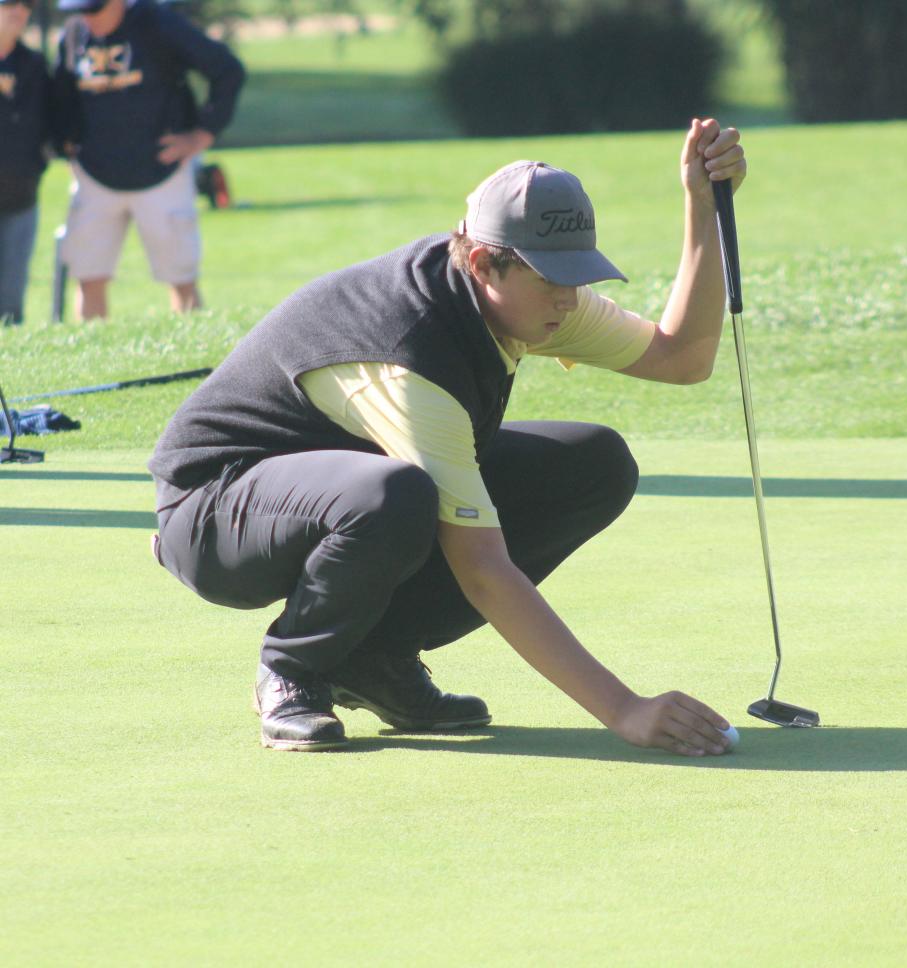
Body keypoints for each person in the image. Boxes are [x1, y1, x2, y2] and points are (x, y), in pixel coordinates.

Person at [149, 118, 747, 756]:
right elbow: (483, 570)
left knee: (593, 465)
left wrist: (703, 207)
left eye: (577, 276)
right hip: (216, 514)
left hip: (337, 492)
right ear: (487, 262)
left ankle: (371, 659)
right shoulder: (410, 355)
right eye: (552, 279)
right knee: (393, 494)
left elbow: (681, 358)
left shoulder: (528, 299)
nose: (570, 299)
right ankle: (293, 670)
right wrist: (624, 710)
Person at [51, 0, 244, 320]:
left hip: (161, 172)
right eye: (80, 10)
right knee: (88, 275)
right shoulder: (73, 34)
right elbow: (61, 94)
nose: (88, 17)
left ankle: (191, 351)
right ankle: (95, 354)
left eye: (95, 9)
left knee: (180, 276)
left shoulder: (157, 23)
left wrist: (202, 135)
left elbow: (228, 70)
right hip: (95, 176)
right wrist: (65, 143)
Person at [0, 0, 50, 326]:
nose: (20, 11)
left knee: (10, 302)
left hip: (20, 196)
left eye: (27, 4)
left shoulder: (33, 65)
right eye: (9, 3)